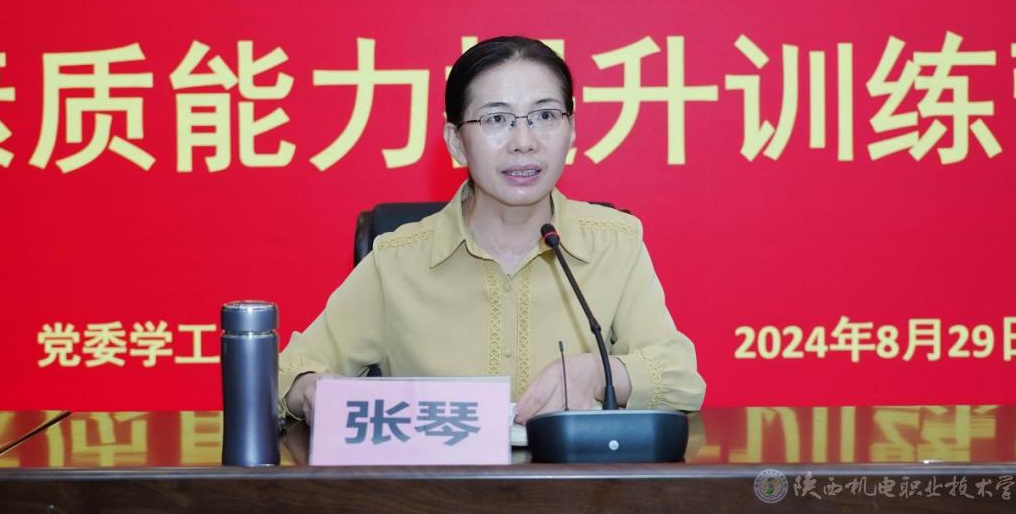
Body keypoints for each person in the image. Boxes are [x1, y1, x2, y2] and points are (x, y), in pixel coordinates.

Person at [279, 36, 705, 425]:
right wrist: (311, 391)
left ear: (572, 129)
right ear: (456, 142)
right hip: (437, 482)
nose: (524, 141)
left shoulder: (615, 243)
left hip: (573, 482)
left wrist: (599, 373)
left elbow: (682, 378)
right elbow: (285, 374)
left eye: (545, 115)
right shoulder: (397, 260)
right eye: (497, 119)